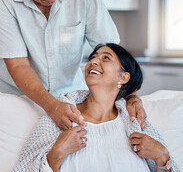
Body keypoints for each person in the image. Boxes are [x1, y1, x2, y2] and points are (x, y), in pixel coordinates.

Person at [0, 0, 146, 131]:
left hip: (69, 99)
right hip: (13, 98)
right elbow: (18, 64)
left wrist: (131, 95)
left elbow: (112, 50)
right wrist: (51, 106)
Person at [14, 43, 180, 172]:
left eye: (105, 58)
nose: (93, 61)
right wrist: (56, 153)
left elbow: (165, 163)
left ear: (123, 77)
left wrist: (163, 157)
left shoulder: (136, 124)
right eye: (92, 57)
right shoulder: (59, 118)